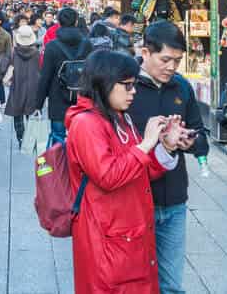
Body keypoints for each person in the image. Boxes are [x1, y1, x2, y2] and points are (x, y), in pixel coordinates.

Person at [66, 50, 184, 294]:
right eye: (127, 86)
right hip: (108, 237)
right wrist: (146, 144)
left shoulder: (119, 117)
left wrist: (166, 146)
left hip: (129, 232)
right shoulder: (86, 123)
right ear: (105, 82)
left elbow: (139, 170)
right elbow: (109, 176)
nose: (134, 92)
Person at [127, 20, 209, 294]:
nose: (172, 67)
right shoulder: (126, 87)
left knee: (172, 284)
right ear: (145, 52)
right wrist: (154, 142)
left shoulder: (181, 87)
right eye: (165, 59)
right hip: (134, 200)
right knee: (135, 281)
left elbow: (200, 135)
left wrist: (188, 140)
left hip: (174, 198)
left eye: (177, 60)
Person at [36, 7, 91, 147]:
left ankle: (59, 167)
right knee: (81, 140)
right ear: (76, 21)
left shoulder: (52, 46)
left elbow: (45, 77)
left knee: (58, 137)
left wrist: (38, 104)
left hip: (58, 98)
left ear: (58, 22)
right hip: (82, 99)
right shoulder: (87, 44)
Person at [3, 25, 40, 147]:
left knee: (17, 114)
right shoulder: (37, 53)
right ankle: (30, 140)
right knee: (31, 114)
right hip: (33, 87)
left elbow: (5, 67)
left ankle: (21, 138)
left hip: (17, 86)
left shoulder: (14, 52)